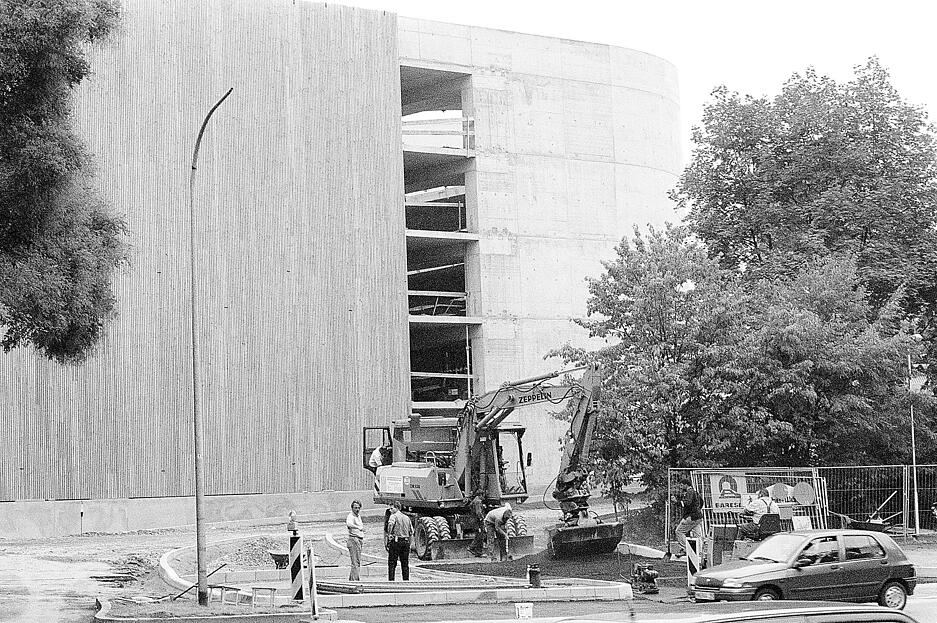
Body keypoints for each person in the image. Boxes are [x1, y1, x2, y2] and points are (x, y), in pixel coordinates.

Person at [386, 501, 413, 581]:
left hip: (396, 541)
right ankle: (406, 581)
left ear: (397, 508)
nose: (390, 510)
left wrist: (389, 534)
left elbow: (390, 524)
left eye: (392, 508)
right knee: (405, 564)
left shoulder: (393, 516)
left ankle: (391, 581)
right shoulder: (407, 518)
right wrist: (409, 544)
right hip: (405, 542)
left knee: (392, 563)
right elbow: (411, 532)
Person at [674, 483, 703, 555]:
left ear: (686, 485)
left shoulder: (689, 492)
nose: (681, 487)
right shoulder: (695, 492)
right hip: (698, 517)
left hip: (691, 517)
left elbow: (687, 503)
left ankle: (686, 549)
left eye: (681, 485)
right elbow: (702, 502)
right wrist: (697, 509)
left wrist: (676, 502)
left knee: (679, 531)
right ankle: (699, 552)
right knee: (697, 535)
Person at [345, 499, 365, 581]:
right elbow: (348, 524)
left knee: (357, 562)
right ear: (352, 508)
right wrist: (357, 527)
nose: (357, 509)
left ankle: (352, 580)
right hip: (354, 540)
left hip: (359, 540)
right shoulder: (351, 516)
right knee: (355, 562)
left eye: (358, 508)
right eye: (355, 507)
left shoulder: (358, 516)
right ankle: (355, 581)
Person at [467, 490, 487, 557]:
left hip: (474, 520)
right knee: (480, 536)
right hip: (477, 521)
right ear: (480, 495)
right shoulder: (478, 502)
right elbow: (478, 512)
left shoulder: (475, 501)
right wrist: (482, 519)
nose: (484, 497)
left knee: (479, 535)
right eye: (483, 495)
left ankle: (478, 552)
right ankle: (472, 548)